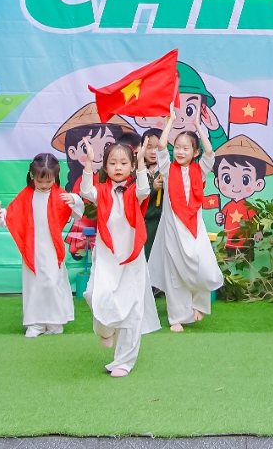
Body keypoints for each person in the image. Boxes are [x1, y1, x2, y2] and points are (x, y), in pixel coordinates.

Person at [78, 138, 160, 377]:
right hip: (107, 257)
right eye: (112, 163)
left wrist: (142, 161)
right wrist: (89, 161)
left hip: (132, 258)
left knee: (132, 309)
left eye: (124, 163)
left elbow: (144, 190)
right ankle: (106, 328)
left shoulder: (135, 191)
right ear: (105, 167)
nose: (118, 167)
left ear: (132, 166)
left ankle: (124, 361)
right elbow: (85, 191)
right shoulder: (102, 191)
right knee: (93, 294)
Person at [0, 153, 83, 337]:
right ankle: (36, 324)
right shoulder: (27, 195)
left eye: (48, 181)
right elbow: (11, 214)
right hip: (32, 247)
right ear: (32, 176)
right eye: (39, 181)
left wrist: (75, 201)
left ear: (55, 177)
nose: (43, 185)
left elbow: (77, 213)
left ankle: (55, 321)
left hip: (52, 247)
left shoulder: (60, 195)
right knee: (34, 285)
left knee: (52, 282)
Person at [148, 113, 224, 331]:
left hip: (194, 229)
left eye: (186, 148)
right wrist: (170, 122)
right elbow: (161, 147)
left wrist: (198, 127)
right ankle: (176, 318)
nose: (180, 152)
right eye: (178, 147)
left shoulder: (200, 171)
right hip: (172, 230)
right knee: (174, 274)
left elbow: (210, 153)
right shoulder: (167, 169)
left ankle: (198, 304)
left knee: (202, 266)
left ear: (195, 152)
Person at [139, 127, 164, 258]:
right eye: (149, 147)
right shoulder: (138, 171)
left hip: (159, 223)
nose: (153, 152)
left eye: (157, 148)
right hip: (140, 222)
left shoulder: (166, 171)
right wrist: (152, 188)